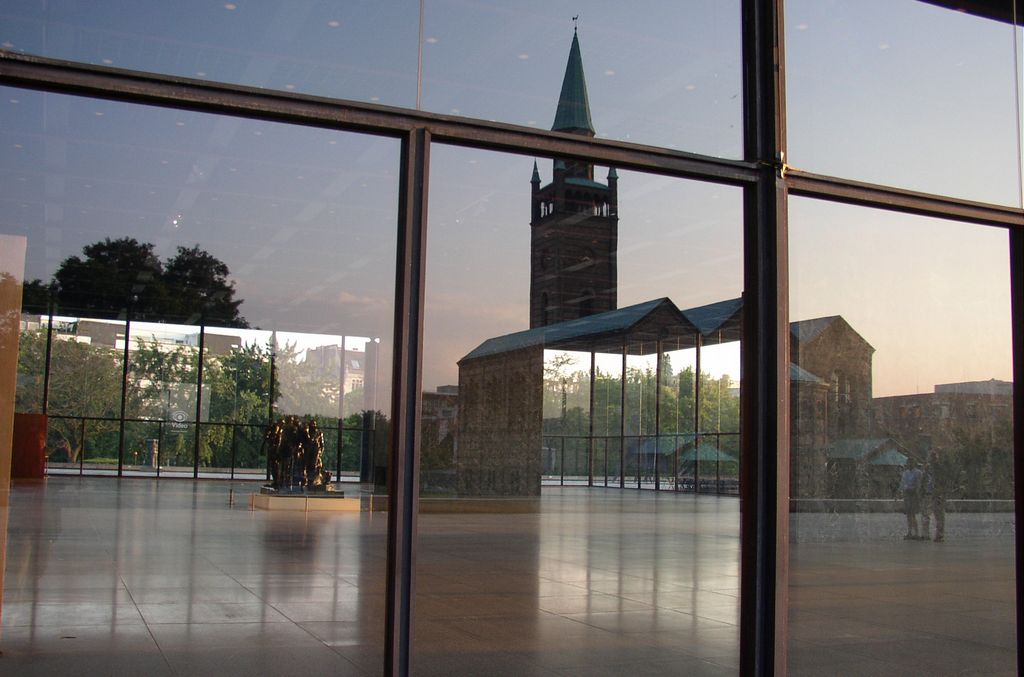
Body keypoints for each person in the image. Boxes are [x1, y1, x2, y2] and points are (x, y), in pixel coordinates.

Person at [899, 462, 923, 540]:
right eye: (909, 463)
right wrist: (899, 492)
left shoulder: (918, 472)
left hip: (914, 495)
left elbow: (919, 484)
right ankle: (909, 532)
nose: (909, 464)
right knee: (908, 514)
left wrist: (918, 494)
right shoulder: (905, 473)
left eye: (911, 463)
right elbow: (902, 483)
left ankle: (916, 532)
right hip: (907, 495)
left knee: (913, 514)